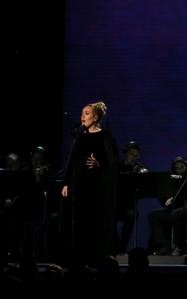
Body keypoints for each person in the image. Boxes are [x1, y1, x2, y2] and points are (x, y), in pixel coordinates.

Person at [60, 101, 119, 265]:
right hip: (80, 186)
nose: (82, 117)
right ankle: (80, 257)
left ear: (96, 116)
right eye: (82, 113)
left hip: (98, 187)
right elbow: (71, 161)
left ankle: (97, 257)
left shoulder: (104, 136)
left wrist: (99, 164)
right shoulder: (80, 136)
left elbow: (113, 162)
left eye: (86, 113)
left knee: (95, 221)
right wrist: (66, 183)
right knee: (79, 220)